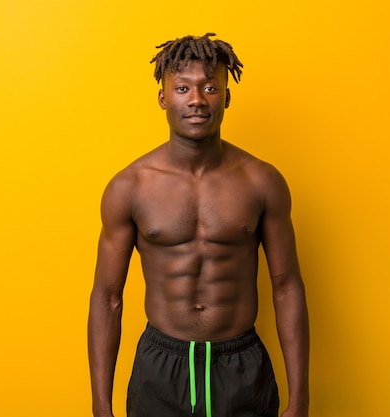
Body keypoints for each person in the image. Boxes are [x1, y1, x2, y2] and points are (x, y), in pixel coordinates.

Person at [88, 33, 309, 417]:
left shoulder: (261, 181)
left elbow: (287, 286)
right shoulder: (130, 186)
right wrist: (101, 406)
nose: (196, 99)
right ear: (163, 98)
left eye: (210, 87)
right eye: (182, 87)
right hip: (160, 367)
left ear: (226, 97)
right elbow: (107, 296)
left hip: (241, 366)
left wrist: (300, 399)